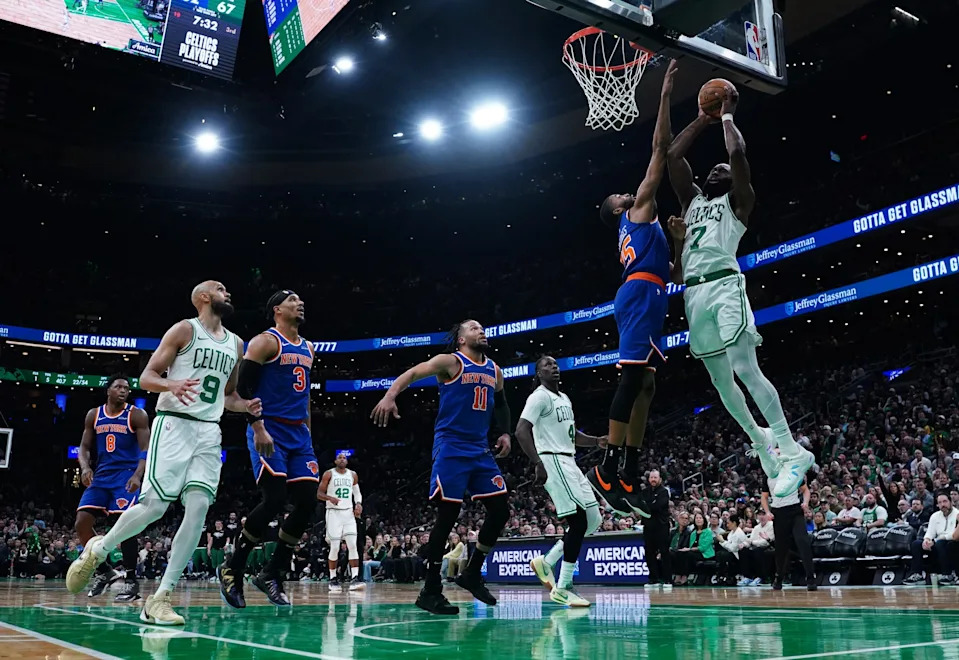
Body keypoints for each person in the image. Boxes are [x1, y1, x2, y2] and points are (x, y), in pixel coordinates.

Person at [66, 281, 261, 626]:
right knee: (155, 506)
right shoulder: (185, 329)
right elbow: (146, 377)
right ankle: (100, 548)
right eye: (220, 288)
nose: (228, 292)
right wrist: (172, 384)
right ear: (203, 297)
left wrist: (245, 406)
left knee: (199, 508)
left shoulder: (236, 343)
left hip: (209, 431)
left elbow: (227, 396)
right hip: (173, 425)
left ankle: (161, 597)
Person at [665, 86, 815, 497]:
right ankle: (763, 444)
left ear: (734, 181)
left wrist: (727, 117)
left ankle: (790, 447)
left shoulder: (739, 202)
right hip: (693, 294)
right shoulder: (691, 202)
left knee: (746, 369)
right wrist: (701, 117)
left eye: (721, 170)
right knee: (720, 382)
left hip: (725, 286)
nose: (714, 170)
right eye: (710, 170)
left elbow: (736, 156)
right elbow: (673, 158)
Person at [587, 60, 680, 518]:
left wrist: (679, 242)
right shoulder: (636, 213)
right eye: (616, 197)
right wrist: (663, 95)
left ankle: (627, 471)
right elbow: (660, 149)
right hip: (640, 293)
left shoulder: (650, 226)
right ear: (616, 211)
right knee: (631, 378)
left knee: (647, 383)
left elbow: (675, 273)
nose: (625, 192)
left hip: (652, 291)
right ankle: (607, 469)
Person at [371, 319, 512, 615]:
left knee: (501, 510)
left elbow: (501, 404)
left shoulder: (495, 370)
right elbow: (411, 373)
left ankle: (472, 573)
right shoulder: (450, 362)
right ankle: (431, 589)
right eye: (473, 328)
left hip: (479, 449)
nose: (481, 330)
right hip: (451, 446)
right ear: (461, 339)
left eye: (482, 327)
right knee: (447, 515)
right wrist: (389, 395)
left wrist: (504, 432)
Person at [218, 290, 320, 609]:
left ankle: (271, 573)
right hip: (269, 427)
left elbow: (305, 400)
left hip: (298, 434)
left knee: (306, 504)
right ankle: (232, 569)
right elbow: (242, 391)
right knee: (275, 500)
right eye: (291, 300)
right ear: (277, 310)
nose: (299, 302)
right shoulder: (265, 342)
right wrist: (257, 426)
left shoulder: (309, 348)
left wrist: (309, 438)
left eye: (300, 299)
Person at [515, 356, 606, 606]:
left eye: (555, 364)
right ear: (538, 373)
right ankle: (564, 586)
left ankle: (547, 561)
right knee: (577, 521)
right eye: (547, 365)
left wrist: (596, 441)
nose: (553, 367)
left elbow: (572, 434)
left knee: (593, 520)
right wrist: (537, 463)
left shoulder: (564, 398)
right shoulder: (539, 396)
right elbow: (521, 430)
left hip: (570, 460)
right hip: (552, 460)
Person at [75, 375, 149, 602]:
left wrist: (138, 475)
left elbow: (146, 450)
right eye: (118, 387)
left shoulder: (137, 414)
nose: (124, 390)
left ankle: (131, 581)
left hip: (126, 476)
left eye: (127, 387)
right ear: (108, 390)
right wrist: (85, 467)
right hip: (102, 475)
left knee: (125, 526)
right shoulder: (94, 414)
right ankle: (105, 571)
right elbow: (84, 447)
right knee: (81, 524)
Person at [762, 468, 815, 591]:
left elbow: (805, 490)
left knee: (803, 542)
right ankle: (779, 577)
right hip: (778, 512)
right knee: (781, 548)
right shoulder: (768, 476)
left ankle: (811, 577)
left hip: (795, 510)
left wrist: (806, 502)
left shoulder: (793, 471)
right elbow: (764, 496)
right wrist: (767, 512)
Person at [318, 452, 364, 591]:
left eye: (344, 458)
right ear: (335, 461)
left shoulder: (353, 474)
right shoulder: (329, 474)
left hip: (348, 513)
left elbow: (357, 492)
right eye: (340, 458)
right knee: (335, 546)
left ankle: (355, 578)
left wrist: (358, 504)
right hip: (333, 513)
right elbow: (319, 494)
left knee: (352, 545)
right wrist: (329, 498)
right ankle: (333, 578)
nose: (342, 459)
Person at [904, 493, 959, 586]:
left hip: (950, 543)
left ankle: (947, 574)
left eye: (945, 501)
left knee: (941, 543)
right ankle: (917, 574)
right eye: (940, 502)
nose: (942, 505)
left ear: (951, 502)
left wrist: (937, 540)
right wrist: (927, 540)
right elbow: (930, 532)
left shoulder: (957, 514)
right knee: (916, 543)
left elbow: (954, 535)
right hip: (936, 543)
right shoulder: (935, 516)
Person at [641, 469, 672, 589]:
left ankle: (667, 579)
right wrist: (650, 505)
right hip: (648, 526)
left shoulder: (664, 491)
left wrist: (647, 505)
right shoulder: (645, 491)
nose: (653, 480)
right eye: (651, 477)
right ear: (649, 479)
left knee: (664, 553)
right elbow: (642, 505)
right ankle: (653, 579)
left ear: (660, 479)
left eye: (655, 477)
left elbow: (658, 506)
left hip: (661, 526)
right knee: (649, 553)